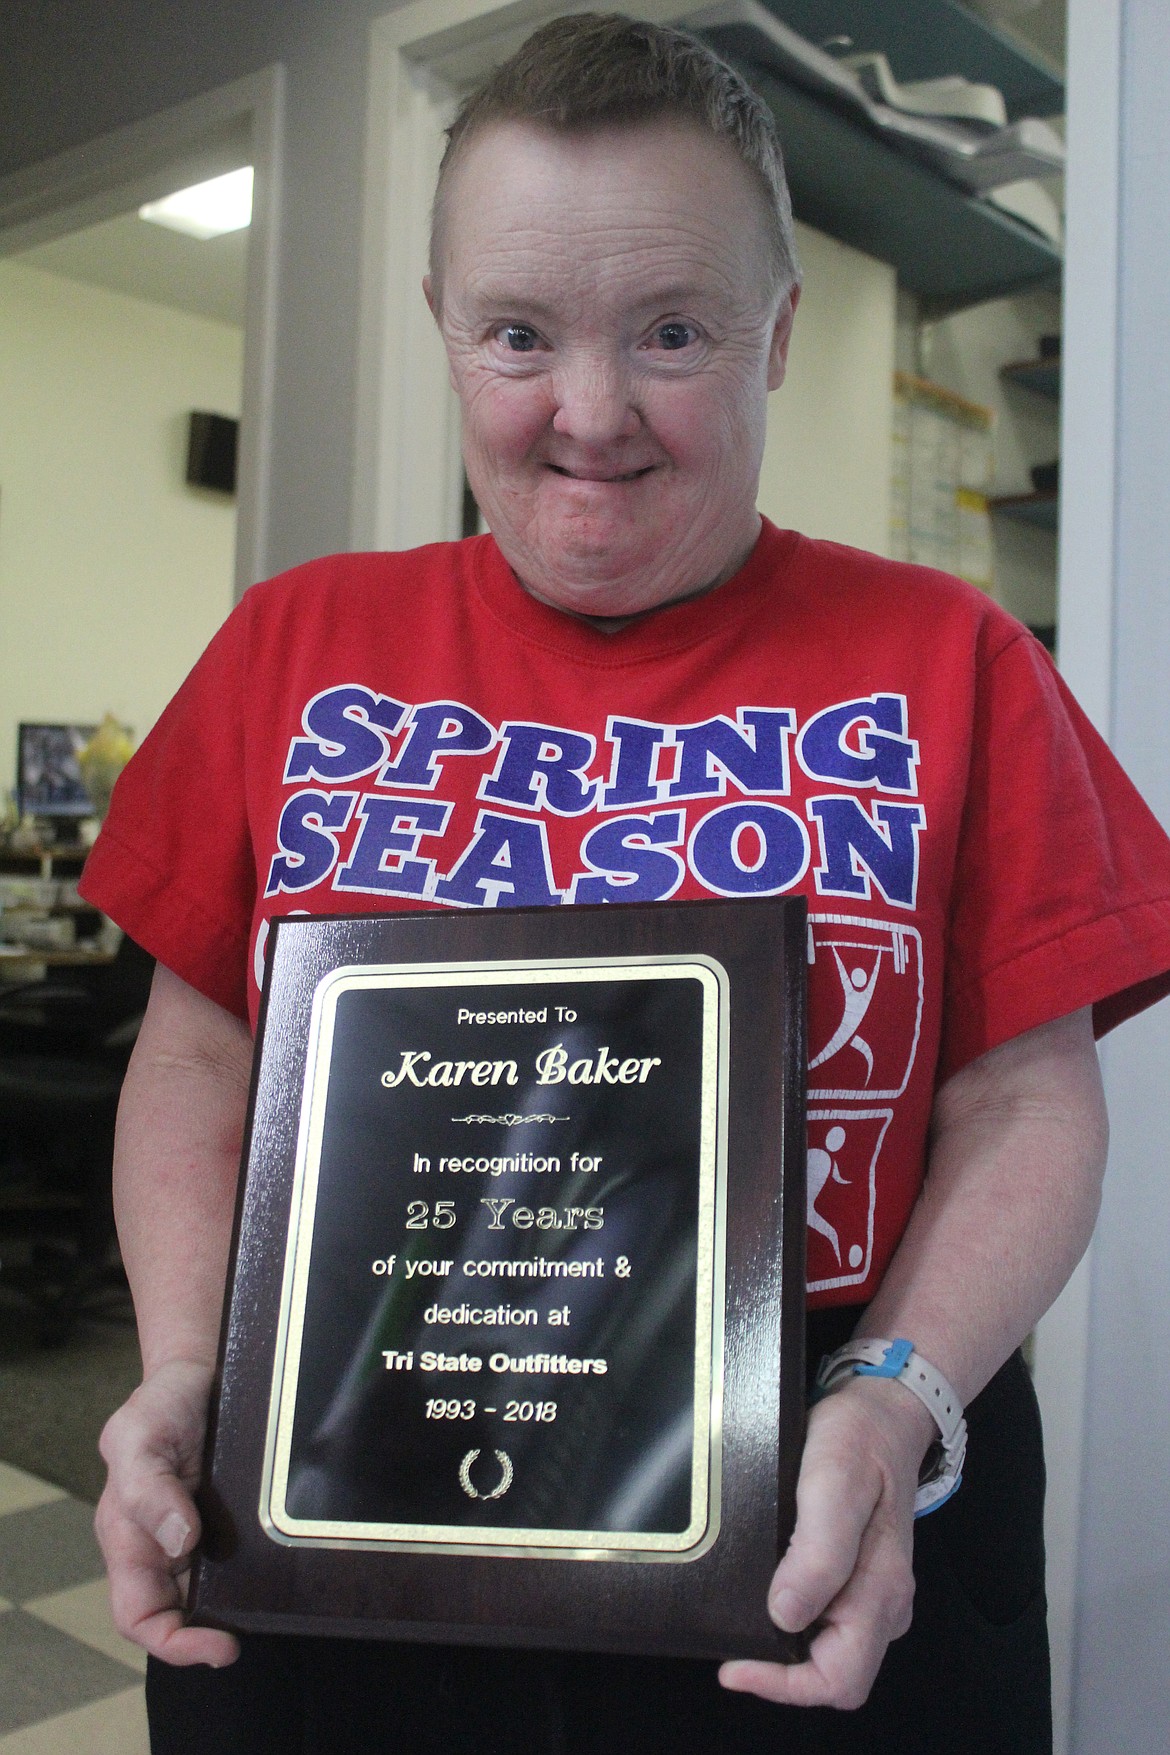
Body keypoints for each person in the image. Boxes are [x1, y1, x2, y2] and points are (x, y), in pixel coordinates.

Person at [81, 14, 1170, 1754]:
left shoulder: (951, 659)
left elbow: (1027, 1103)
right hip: (342, 1484)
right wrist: (192, 1373)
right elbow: (201, 1065)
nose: (589, 413)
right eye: (518, 333)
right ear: (445, 326)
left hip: (821, 1495)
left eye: (671, 331)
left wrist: (898, 1401)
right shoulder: (296, 646)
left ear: (778, 336)